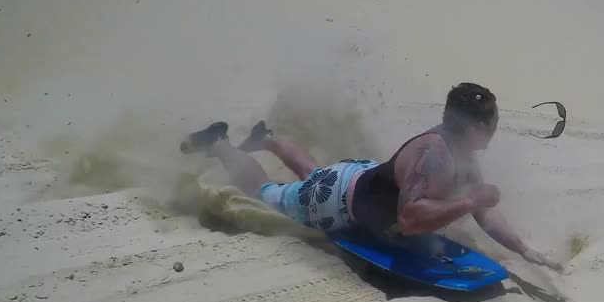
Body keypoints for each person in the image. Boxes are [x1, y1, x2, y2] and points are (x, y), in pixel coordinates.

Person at [180, 82, 560, 270]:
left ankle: (268, 139)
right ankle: (219, 144)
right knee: (267, 193)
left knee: (316, 176)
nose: (497, 126)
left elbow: (485, 211)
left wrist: (523, 249)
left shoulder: (462, 151)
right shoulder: (434, 156)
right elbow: (411, 219)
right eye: (494, 120)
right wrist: (468, 202)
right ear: (477, 126)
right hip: (338, 203)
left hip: (357, 180)